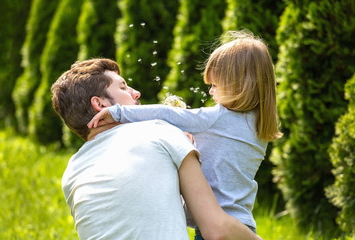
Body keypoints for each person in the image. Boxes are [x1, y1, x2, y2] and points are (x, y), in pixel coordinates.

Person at [87, 30, 283, 238]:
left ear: (238, 84)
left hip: (215, 227)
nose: (210, 92)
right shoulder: (259, 125)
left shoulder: (218, 117)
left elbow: (166, 113)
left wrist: (118, 112)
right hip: (242, 226)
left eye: (215, 85)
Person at [51, 58, 262, 240]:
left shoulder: (72, 171)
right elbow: (217, 230)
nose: (136, 92)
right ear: (101, 105)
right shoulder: (160, 131)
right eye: (123, 87)